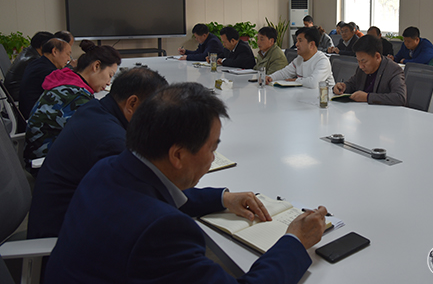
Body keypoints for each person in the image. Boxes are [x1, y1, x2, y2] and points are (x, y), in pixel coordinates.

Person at [45, 83, 328, 284]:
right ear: (178, 155)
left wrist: (222, 198)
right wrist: (295, 241)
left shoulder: (107, 169)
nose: (213, 158)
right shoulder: (162, 231)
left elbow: (154, 195)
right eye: (212, 148)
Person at [27, 67, 168, 239]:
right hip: (65, 237)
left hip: (60, 218)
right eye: (154, 110)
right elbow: (150, 198)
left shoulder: (94, 108)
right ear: (132, 103)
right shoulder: (110, 141)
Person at [24, 40, 121, 164]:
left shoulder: (66, 83)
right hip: (48, 163)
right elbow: (97, 135)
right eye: (110, 75)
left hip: (41, 155)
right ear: (96, 66)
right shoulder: (75, 96)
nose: (108, 82)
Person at [333, 35, 406, 106]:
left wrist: (367, 97)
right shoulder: (362, 68)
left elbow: (400, 97)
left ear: (377, 56)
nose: (361, 66)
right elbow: (353, 83)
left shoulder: (393, 70)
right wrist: (343, 87)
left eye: (364, 61)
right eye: (358, 61)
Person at [19, 38, 72, 119]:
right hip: (35, 118)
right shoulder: (47, 72)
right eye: (68, 54)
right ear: (55, 51)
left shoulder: (35, 63)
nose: (69, 59)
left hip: (27, 114)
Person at [266, 27, 335, 88]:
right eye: (297, 41)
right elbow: (284, 73)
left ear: (311, 44)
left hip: (325, 97)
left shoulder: (322, 61)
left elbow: (314, 83)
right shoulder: (299, 59)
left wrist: (296, 80)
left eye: (300, 41)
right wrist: (270, 77)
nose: (296, 44)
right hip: (306, 95)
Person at [4, 31, 54, 102]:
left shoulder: (27, 52)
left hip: (13, 95)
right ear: (43, 46)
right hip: (19, 97)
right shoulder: (34, 60)